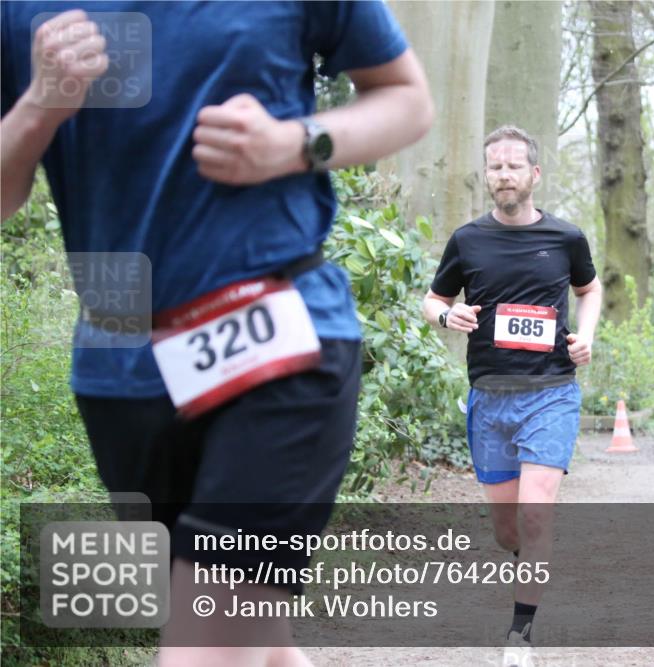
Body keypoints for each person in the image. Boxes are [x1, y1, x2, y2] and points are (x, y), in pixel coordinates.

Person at [1, 3, 432, 666]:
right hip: (122, 371)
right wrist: (38, 105)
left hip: (280, 347)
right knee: (256, 645)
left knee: (203, 650)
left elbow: (407, 99)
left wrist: (294, 144)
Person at [421, 125, 602, 665]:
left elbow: (588, 290)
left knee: (536, 514)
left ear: (534, 174)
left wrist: (587, 335)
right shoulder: (467, 239)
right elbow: (432, 299)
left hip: (550, 394)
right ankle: (529, 560)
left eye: (513, 166)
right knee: (508, 531)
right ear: (487, 174)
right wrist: (447, 315)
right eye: (494, 166)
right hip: (490, 399)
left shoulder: (566, 238)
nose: (503, 174)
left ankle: (520, 636)